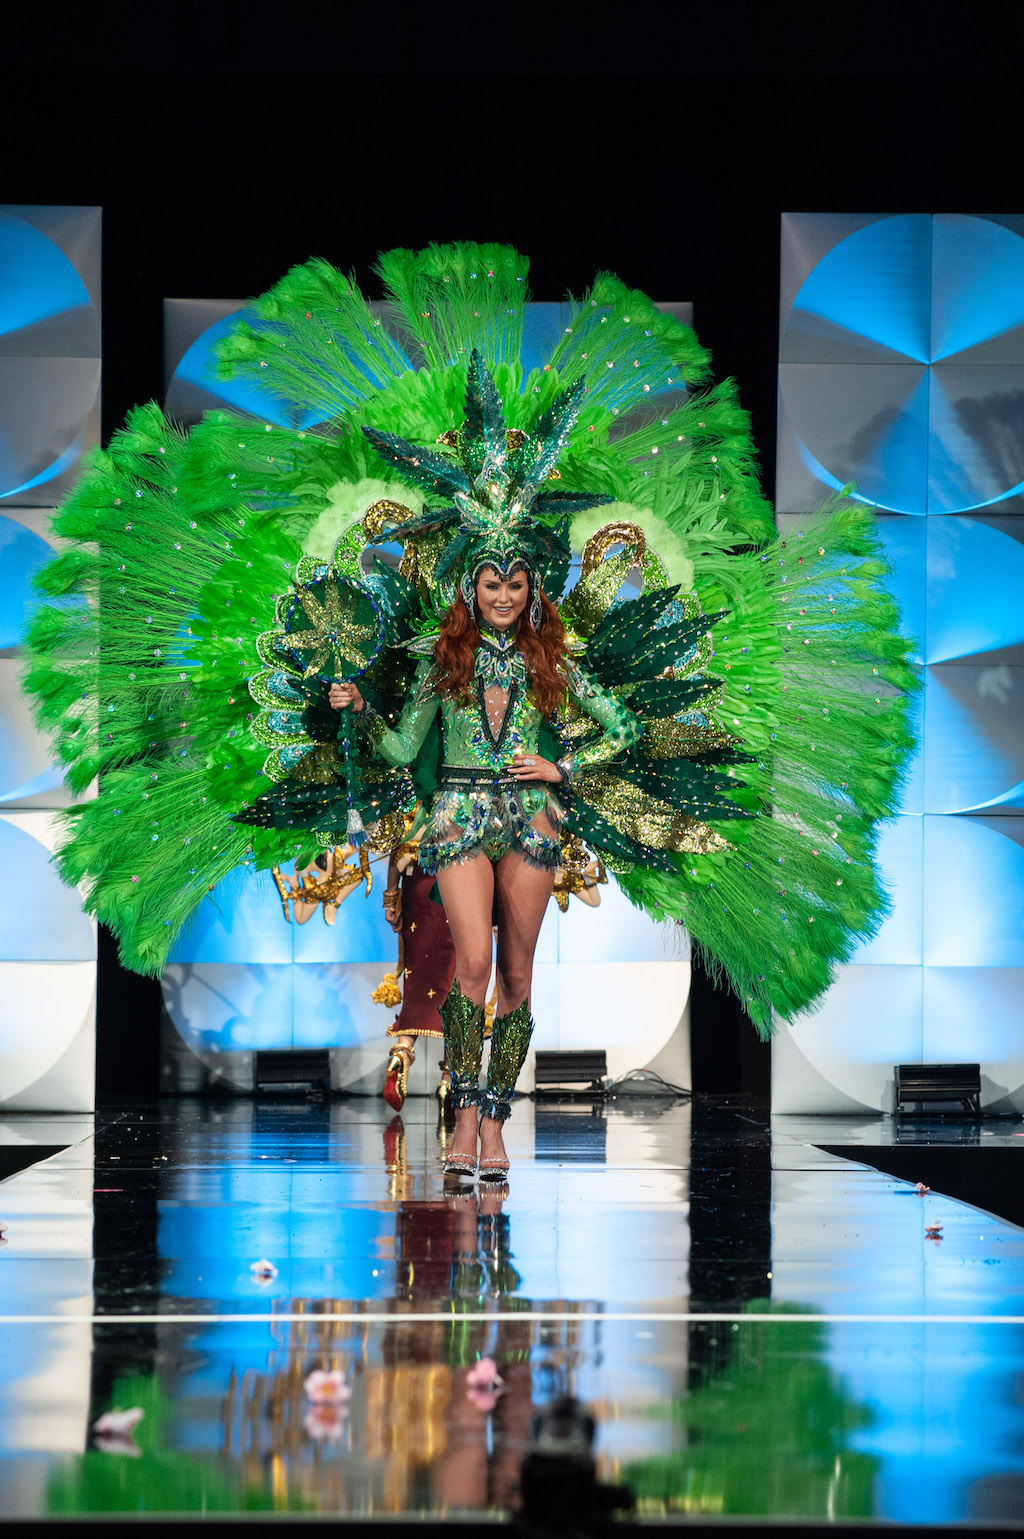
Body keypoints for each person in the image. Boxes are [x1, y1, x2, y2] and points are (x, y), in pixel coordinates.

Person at [329, 558, 639, 1180]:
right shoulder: (441, 664)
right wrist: (361, 708)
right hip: (457, 814)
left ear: (533, 592)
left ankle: (496, 1121)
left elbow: (624, 726)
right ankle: (464, 1114)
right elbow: (399, 748)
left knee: (517, 977)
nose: (503, 597)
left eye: (515, 585)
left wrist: (563, 768)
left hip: (531, 818)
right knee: (472, 968)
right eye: (492, 584)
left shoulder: (551, 660)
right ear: (471, 589)